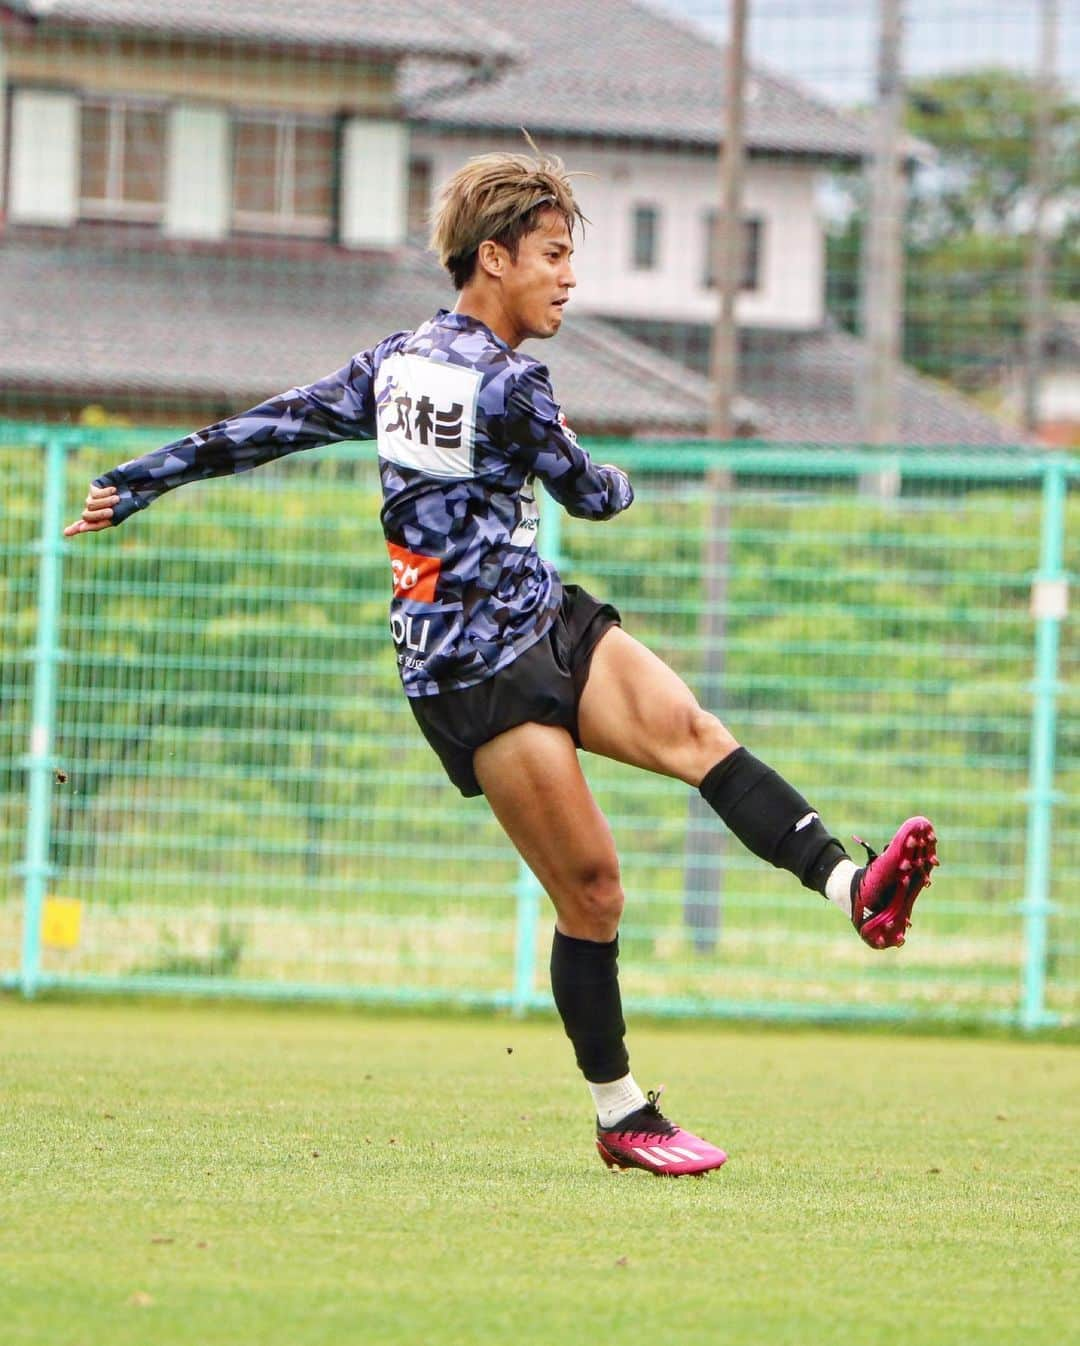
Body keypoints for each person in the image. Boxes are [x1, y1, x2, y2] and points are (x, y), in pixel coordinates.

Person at [65, 147, 938, 1178]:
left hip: (541, 616)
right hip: (471, 665)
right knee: (595, 891)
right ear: (496, 256)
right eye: (555, 254)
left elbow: (269, 426)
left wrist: (138, 478)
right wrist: (609, 474)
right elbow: (590, 495)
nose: (570, 277)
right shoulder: (515, 385)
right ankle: (622, 1112)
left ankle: (852, 886)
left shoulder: (392, 364)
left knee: (697, 735)